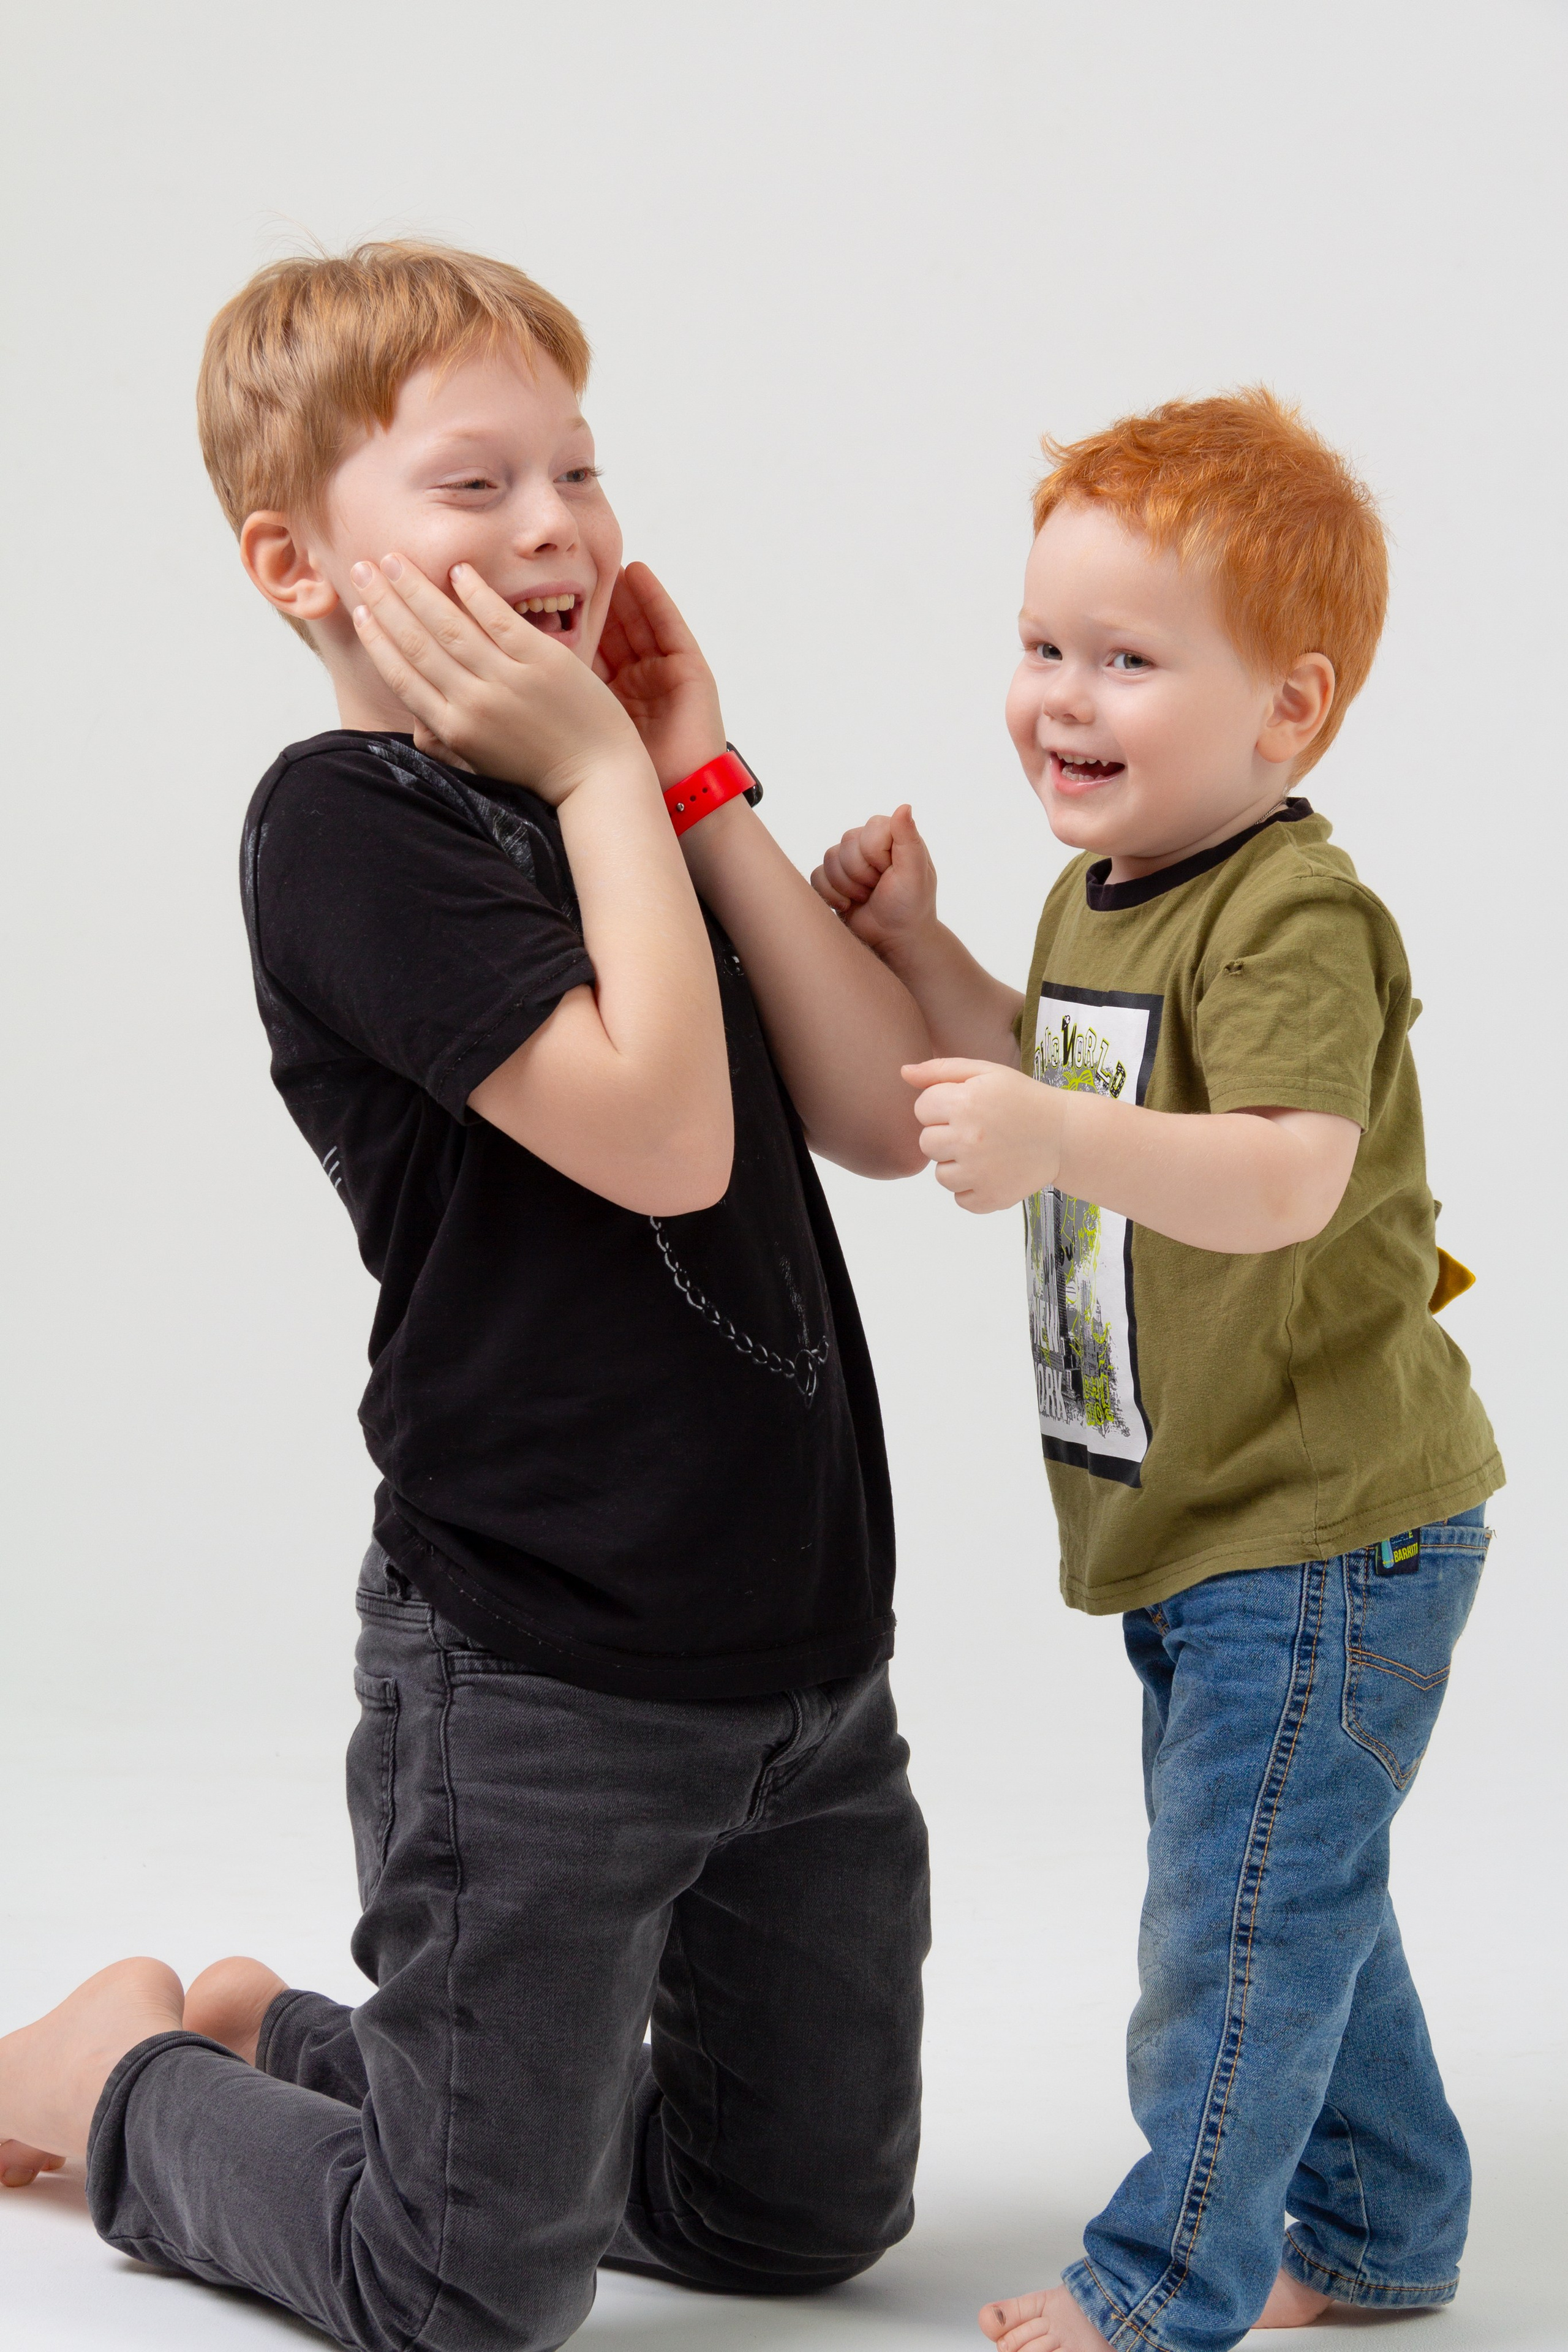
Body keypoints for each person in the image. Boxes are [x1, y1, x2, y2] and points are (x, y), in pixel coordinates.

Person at [0, 241, 938, 2351]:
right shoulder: (342, 827)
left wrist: (686, 761)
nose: (555, 530)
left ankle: (312, 2051)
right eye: (474, 486)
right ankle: (116, 2084)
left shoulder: (626, 803)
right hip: (536, 1669)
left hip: (798, 1665)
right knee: (459, 2291)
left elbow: (884, 1118)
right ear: (297, 565)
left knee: (792, 2223)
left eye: (580, 473)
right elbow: (664, 1136)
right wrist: (605, 778)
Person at [813, 390, 1503, 2352]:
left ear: (1288, 712)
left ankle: (1160, 2288)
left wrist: (1048, 1146)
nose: (1064, 699)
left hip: (1320, 1532)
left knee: (1233, 1928)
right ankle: (1381, 2235)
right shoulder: (1098, 894)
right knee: (1297, 1894)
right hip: (1204, 1521)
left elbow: (1289, 1172)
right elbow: (1062, 1069)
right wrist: (930, 953)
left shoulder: (1291, 907)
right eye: (1042, 647)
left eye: (1128, 660)